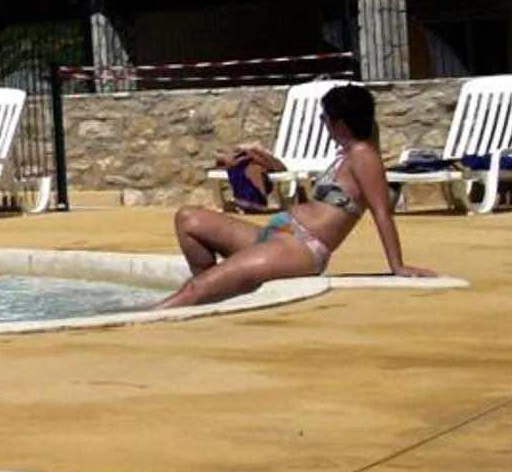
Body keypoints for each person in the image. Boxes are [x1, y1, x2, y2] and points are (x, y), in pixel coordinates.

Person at [157, 83, 434, 310]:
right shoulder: (348, 152)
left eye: (325, 118)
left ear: (341, 124)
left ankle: (149, 316)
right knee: (188, 218)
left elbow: (381, 213)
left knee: (194, 289)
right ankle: (211, 298)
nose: (322, 123)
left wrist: (397, 265)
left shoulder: (364, 157)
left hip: (300, 248)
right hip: (277, 235)